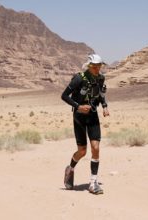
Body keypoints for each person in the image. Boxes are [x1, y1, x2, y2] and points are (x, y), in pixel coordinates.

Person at [61, 54, 110, 195]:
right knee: (82, 151)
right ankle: (70, 168)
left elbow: (101, 94)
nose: (97, 68)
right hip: (79, 117)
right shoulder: (78, 78)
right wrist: (78, 106)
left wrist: (105, 106)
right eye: (95, 66)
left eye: (99, 66)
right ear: (89, 66)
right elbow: (64, 96)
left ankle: (93, 183)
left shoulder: (101, 78)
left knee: (96, 147)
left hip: (93, 115)